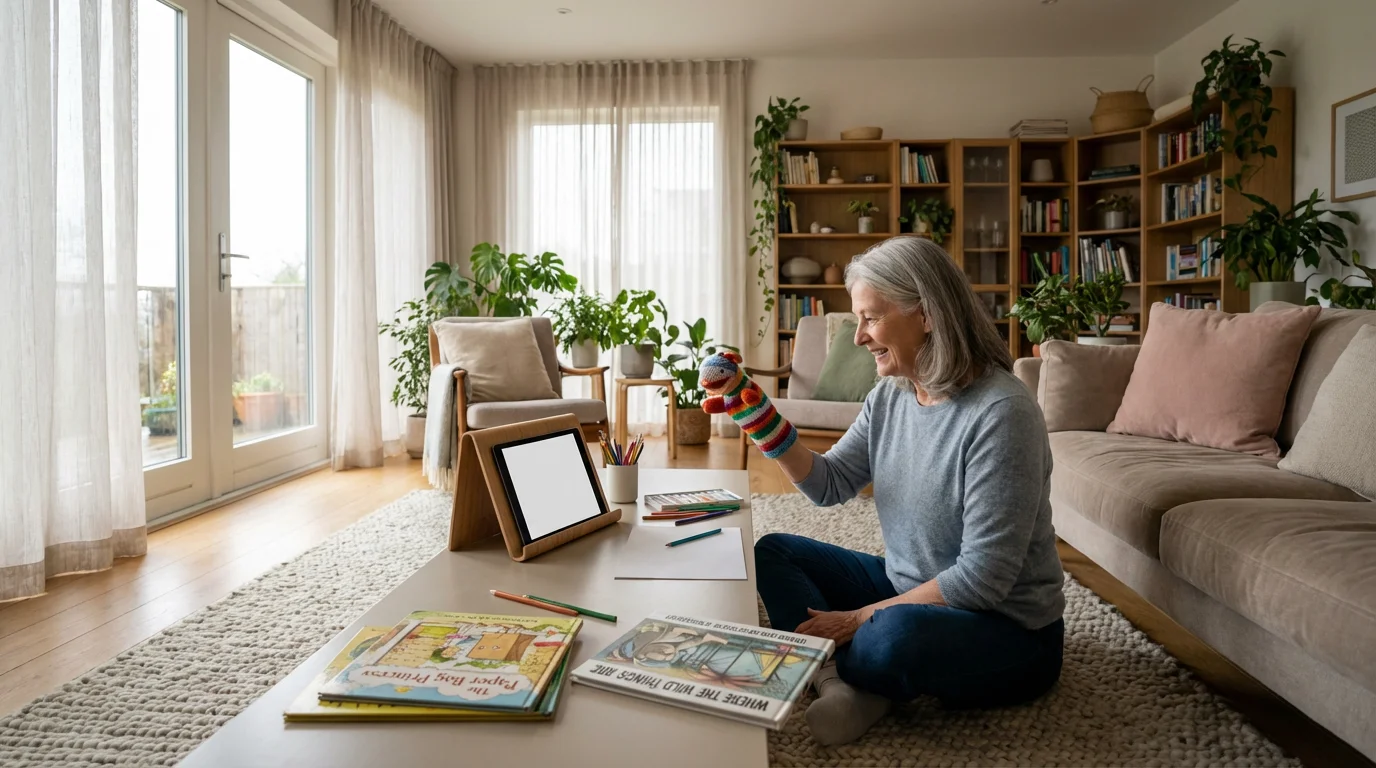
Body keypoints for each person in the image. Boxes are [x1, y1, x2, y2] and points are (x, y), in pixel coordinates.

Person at [698, 235, 1065, 746]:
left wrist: (855, 619)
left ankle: (854, 672)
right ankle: (843, 686)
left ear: (928, 315)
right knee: (774, 551)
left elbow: (983, 581)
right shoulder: (890, 396)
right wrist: (758, 417)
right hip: (906, 587)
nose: (858, 338)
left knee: (890, 638)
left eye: (869, 318)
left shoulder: (1001, 414)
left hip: (1004, 627)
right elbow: (828, 486)